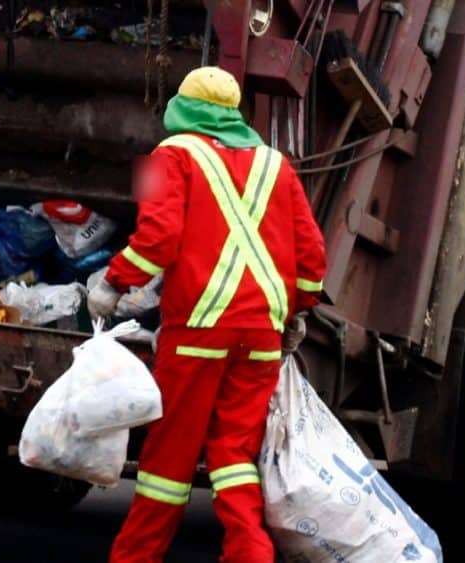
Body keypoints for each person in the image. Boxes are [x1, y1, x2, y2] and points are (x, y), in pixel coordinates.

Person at [87, 66, 327, 562]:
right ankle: (251, 554)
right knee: (235, 455)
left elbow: (157, 240)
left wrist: (113, 283)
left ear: (183, 108)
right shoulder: (277, 165)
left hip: (197, 333)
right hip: (261, 337)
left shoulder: (164, 157)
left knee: (167, 460)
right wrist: (298, 310)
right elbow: (312, 259)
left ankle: (135, 557)